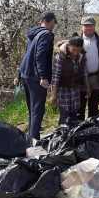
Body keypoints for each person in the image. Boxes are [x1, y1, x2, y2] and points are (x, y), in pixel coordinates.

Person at [18, 12, 57, 142]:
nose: (53, 27)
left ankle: (30, 138)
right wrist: (43, 76)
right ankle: (34, 142)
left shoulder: (33, 33)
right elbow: (40, 55)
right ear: (50, 21)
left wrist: (19, 73)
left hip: (25, 74)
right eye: (53, 23)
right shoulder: (46, 34)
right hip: (36, 78)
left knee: (32, 110)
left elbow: (27, 54)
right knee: (37, 110)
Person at [51, 35, 87, 126]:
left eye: (78, 50)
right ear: (69, 46)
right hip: (63, 91)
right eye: (73, 50)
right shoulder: (60, 57)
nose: (75, 53)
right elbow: (55, 77)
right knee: (64, 116)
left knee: (74, 115)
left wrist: (88, 87)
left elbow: (84, 72)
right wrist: (54, 95)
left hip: (75, 90)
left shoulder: (81, 56)